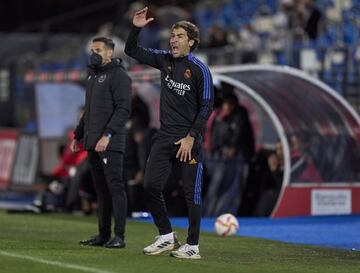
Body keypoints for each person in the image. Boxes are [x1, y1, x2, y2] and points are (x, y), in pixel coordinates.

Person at [125, 7, 214, 259]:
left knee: (191, 194)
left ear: (192, 42)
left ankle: (193, 246)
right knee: (150, 186)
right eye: (173, 35)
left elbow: (207, 106)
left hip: (189, 141)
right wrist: (136, 28)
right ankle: (166, 235)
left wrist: (191, 136)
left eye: (180, 36)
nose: (173, 39)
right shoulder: (164, 60)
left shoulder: (199, 70)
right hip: (164, 138)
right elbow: (132, 50)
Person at [71, 37, 132, 248]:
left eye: (98, 50)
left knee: (116, 188)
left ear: (110, 53)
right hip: (92, 142)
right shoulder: (92, 76)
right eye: (92, 50)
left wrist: (108, 135)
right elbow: (88, 111)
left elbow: (123, 110)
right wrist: (78, 135)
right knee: (101, 191)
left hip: (110, 143)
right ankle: (103, 235)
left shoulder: (119, 76)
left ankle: (120, 237)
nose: (93, 54)